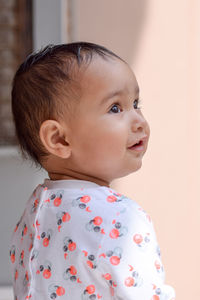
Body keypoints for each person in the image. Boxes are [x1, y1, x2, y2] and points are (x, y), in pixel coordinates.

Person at [9, 42, 175, 300]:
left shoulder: (32, 216)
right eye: (115, 108)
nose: (140, 122)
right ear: (59, 140)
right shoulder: (120, 217)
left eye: (136, 103)